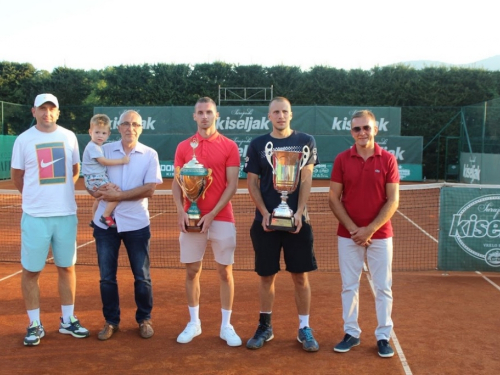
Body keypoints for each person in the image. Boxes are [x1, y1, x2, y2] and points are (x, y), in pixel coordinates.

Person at [11, 93, 90, 346]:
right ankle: (34, 324)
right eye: (42, 108)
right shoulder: (23, 140)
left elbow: (75, 171)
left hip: (66, 215)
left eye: (51, 109)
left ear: (58, 112)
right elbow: (17, 175)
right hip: (35, 217)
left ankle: (68, 320)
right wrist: (35, 197)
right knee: (31, 271)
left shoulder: (69, 137)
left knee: (67, 267)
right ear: (33, 111)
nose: (47, 113)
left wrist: (59, 195)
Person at [243, 96, 320, 352]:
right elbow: (252, 182)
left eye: (284, 111)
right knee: (266, 277)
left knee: (300, 277)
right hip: (265, 223)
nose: (280, 116)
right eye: (275, 112)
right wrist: (264, 212)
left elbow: (307, 179)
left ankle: (304, 328)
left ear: (291, 114)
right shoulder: (257, 145)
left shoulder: (305, 142)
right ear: (269, 116)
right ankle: (265, 326)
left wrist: (298, 212)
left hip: (298, 222)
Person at [328, 109, 400, 358]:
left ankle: (383, 336)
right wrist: (352, 229)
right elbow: (333, 199)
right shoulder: (341, 159)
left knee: (383, 287)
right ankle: (351, 333)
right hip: (348, 235)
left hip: (380, 235)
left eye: (366, 127)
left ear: (375, 129)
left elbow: (393, 200)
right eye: (357, 129)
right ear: (351, 132)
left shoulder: (388, 160)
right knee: (349, 286)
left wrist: (369, 229)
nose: (362, 132)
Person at [172, 97, 242, 347]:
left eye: (208, 112)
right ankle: (194, 322)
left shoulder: (230, 146)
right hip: (191, 220)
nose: (204, 116)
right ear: (194, 116)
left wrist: (211, 214)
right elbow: (177, 183)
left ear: (217, 115)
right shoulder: (183, 147)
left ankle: (226, 326)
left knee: (225, 272)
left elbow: (232, 185)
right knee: (192, 271)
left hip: (221, 217)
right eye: (200, 112)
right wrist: (181, 211)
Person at [89, 110, 162, 340]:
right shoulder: (104, 150)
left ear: (140, 128)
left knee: (142, 277)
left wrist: (117, 197)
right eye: (126, 124)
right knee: (106, 277)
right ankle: (111, 321)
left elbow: (149, 189)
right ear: (118, 128)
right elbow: (91, 180)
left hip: (137, 224)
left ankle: (144, 319)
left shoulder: (150, 154)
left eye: (135, 124)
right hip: (105, 226)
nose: (130, 128)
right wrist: (96, 191)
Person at [82, 114, 129, 228]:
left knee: (100, 198)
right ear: (90, 132)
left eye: (103, 133)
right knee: (117, 193)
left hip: (92, 179)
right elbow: (104, 162)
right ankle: (106, 215)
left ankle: (94, 219)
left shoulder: (96, 147)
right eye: (97, 132)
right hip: (95, 179)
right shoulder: (93, 147)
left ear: (108, 134)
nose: (100, 136)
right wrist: (122, 160)